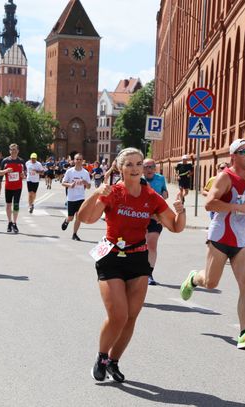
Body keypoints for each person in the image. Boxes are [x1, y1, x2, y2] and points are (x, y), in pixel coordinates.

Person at [78, 147, 185, 382]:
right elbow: (87, 218)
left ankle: (114, 361)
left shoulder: (151, 196)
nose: (136, 168)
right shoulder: (113, 192)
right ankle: (102, 356)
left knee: (131, 316)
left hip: (138, 258)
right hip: (111, 257)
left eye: (139, 164)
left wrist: (181, 211)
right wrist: (97, 193)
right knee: (118, 315)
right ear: (120, 168)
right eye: (130, 164)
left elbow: (176, 226)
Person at [179, 139, 245, 350]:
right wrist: (237, 207)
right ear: (233, 156)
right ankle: (193, 278)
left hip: (243, 239)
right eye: (243, 151)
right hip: (221, 237)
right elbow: (210, 203)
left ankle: (244, 333)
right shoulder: (225, 177)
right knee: (211, 282)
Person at [143, 158, 169, 286]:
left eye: (152, 167)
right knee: (138, 245)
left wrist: (165, 194)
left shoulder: (160, 179)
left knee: (151, 245)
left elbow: (165, 193)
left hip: (156, 218)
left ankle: (148, 273)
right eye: (146, 167)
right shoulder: (138, 179)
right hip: (139, 217)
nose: (149, 169)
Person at [61, 153, 91, 241]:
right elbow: (63, 183)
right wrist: (70, 185)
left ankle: (74, 234)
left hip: (81, 197)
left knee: (79, 217)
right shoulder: (69, 171)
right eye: (77, 159)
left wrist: (85, 182)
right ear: (74, 160)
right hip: (71, 198)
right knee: (71, 217)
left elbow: (89, 187)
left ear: (82, 161)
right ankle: (66, 221)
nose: (78, 161)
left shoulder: (85, 173)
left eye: (80, 159)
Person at [0, 143, 26, 233]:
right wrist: (6, 170)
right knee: (8, 205)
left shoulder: (21, 161)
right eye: (11, 149)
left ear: (18, 151)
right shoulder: (5, 161)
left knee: (16, 205)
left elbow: (25, 175)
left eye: (15, 149)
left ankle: (14, 223)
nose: (13, 151)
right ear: (9, 151)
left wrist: (23, 175)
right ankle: (9, 222)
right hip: (8, 187)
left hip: (18, 187)